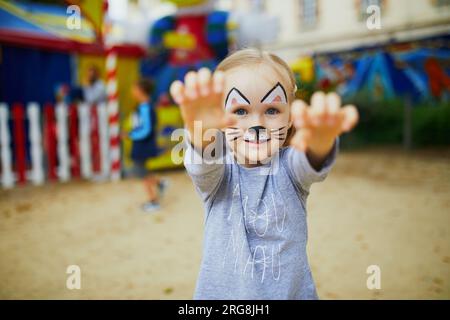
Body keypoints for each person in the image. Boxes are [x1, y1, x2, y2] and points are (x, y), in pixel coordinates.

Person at [169, 48, 358, 299]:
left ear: (290, 117)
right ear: (218, 115)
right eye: (239, 111)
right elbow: (203, 163)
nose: (256, 124)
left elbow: (311, 163)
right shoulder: (218, 175)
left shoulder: (290, 168)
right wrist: (201, 129)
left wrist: (320, 139)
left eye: (271, 110)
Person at [128, 78, 167, 213]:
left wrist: (131, 135)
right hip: (141, 144)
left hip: (142, 145)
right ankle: (159, 183)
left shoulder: (145, 107)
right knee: (142, 170)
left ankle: (153, 201)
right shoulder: (143, 106)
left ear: (141, 91)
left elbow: (146, 129)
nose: (132, 92)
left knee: (141, 173)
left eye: (134, 89)